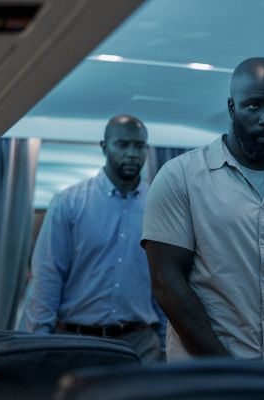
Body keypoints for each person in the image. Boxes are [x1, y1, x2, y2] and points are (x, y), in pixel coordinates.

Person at [142, 57, 264, 361]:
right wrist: (230, 372)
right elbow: (167, 283)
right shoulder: (180, 176)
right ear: (232, 108)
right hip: (204, 374)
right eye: (254, 105)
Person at [24, 115, 166, 362]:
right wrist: (39, 344)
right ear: (104, 147)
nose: (132, 154)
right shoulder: (68, 203)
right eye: (122, 145)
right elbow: (48, 277)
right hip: (76, 341)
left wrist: (167, 345)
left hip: (141, 345)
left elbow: (165, 281)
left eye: (139, 146)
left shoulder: (161, 206)